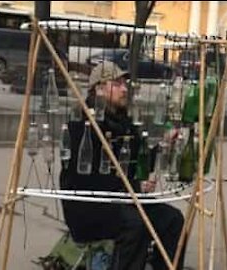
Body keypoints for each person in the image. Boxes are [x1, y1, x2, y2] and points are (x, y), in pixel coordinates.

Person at [60, 61, 185, 269]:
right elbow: (85, 178)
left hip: (124, 200)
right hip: (89, 206)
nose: (124, 89)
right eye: (117, 84)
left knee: (172, 219)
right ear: (99, 89)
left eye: (124, 83)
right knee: (136, 224)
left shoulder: (122, 121)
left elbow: (137, 161)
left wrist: (163, 146)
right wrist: (133, 186)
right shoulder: (81, 123)